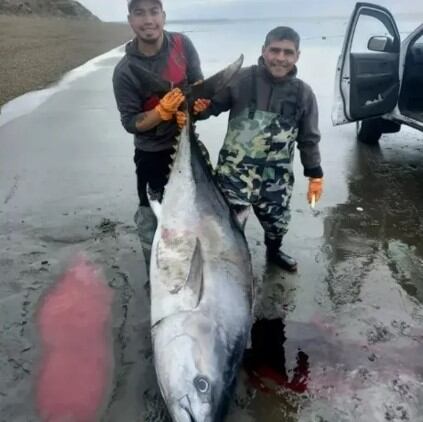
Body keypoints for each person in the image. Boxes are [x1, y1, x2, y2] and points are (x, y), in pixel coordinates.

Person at [196, 26, 324, 272]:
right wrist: (196, 110)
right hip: (234, 175)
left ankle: (274, 252)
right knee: (227, 223)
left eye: (288, 52)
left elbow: (309, 138)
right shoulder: (240, 79)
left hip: (276, 178)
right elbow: (211, 107)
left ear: (297, 56)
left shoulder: (304, 94)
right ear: (263, 51)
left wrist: (315, 174)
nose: (280, 57)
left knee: (277, 223)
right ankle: (225, 262)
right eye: (275, 50)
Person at [112, 0, 207, 269]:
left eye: (154, 12)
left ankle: (195, 263)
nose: (148, 20)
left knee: (197, 209)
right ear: (130, 20)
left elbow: (197, 83)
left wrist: (196, 107)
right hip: (151, 153)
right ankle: (156, 270)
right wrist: (160, 113)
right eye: (139, 13)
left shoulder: (182, 45)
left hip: (189, 144)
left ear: (163, 16)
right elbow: (131, 122)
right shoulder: (125, 71)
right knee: (152, 214)